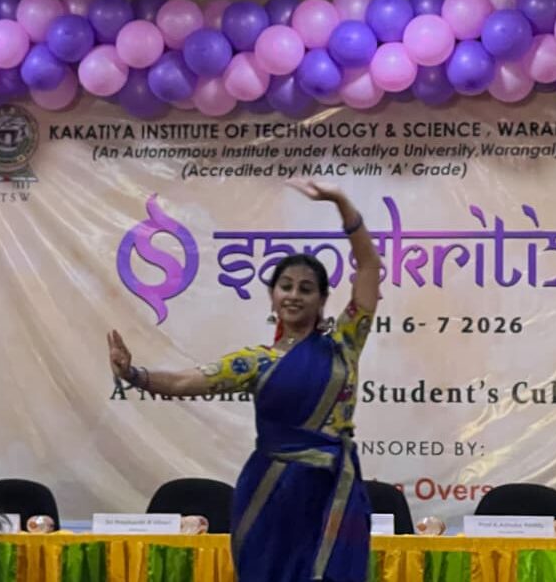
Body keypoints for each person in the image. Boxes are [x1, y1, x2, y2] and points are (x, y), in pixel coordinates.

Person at [108, 180, 381, 582]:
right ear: (273, 297)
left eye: (306, 289)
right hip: (271, 493)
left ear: (323, 299)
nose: (294, 295)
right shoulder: (255, 362)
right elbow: (185, 383)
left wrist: (342, 203)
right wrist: (133, 374)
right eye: (286, 287)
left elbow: (370, 268)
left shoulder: (343, 345)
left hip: (330, 496)